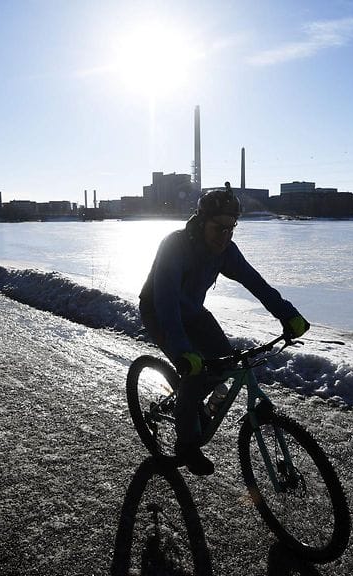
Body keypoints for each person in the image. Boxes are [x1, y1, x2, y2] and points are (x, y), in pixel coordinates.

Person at [139, 182, 310, 476]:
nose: (225, 235)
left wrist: (288, 314)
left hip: (193, 312)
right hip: (159, 312)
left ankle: (192, 404)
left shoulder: (225, 251)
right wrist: (182, 350)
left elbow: (256, 283)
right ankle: (186, 444)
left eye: (231, 228)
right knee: (194, 374)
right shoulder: (175, 246)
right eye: (219, 228)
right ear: (202, 222)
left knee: (226, 363)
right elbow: (165, 300)